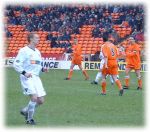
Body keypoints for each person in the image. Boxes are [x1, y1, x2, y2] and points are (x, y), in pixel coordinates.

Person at [13, 32, 48, 125]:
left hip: (36, 78)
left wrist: (43, 69)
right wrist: (24, 73)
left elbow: (37, 65)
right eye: (37, 38)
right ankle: (29, 119)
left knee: (41, 101)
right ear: (31, 39)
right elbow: (16, 64)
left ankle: (25, 110)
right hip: (27, 77)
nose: (39, 39)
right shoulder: (24, 50)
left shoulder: (37, 51)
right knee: (34, 97)